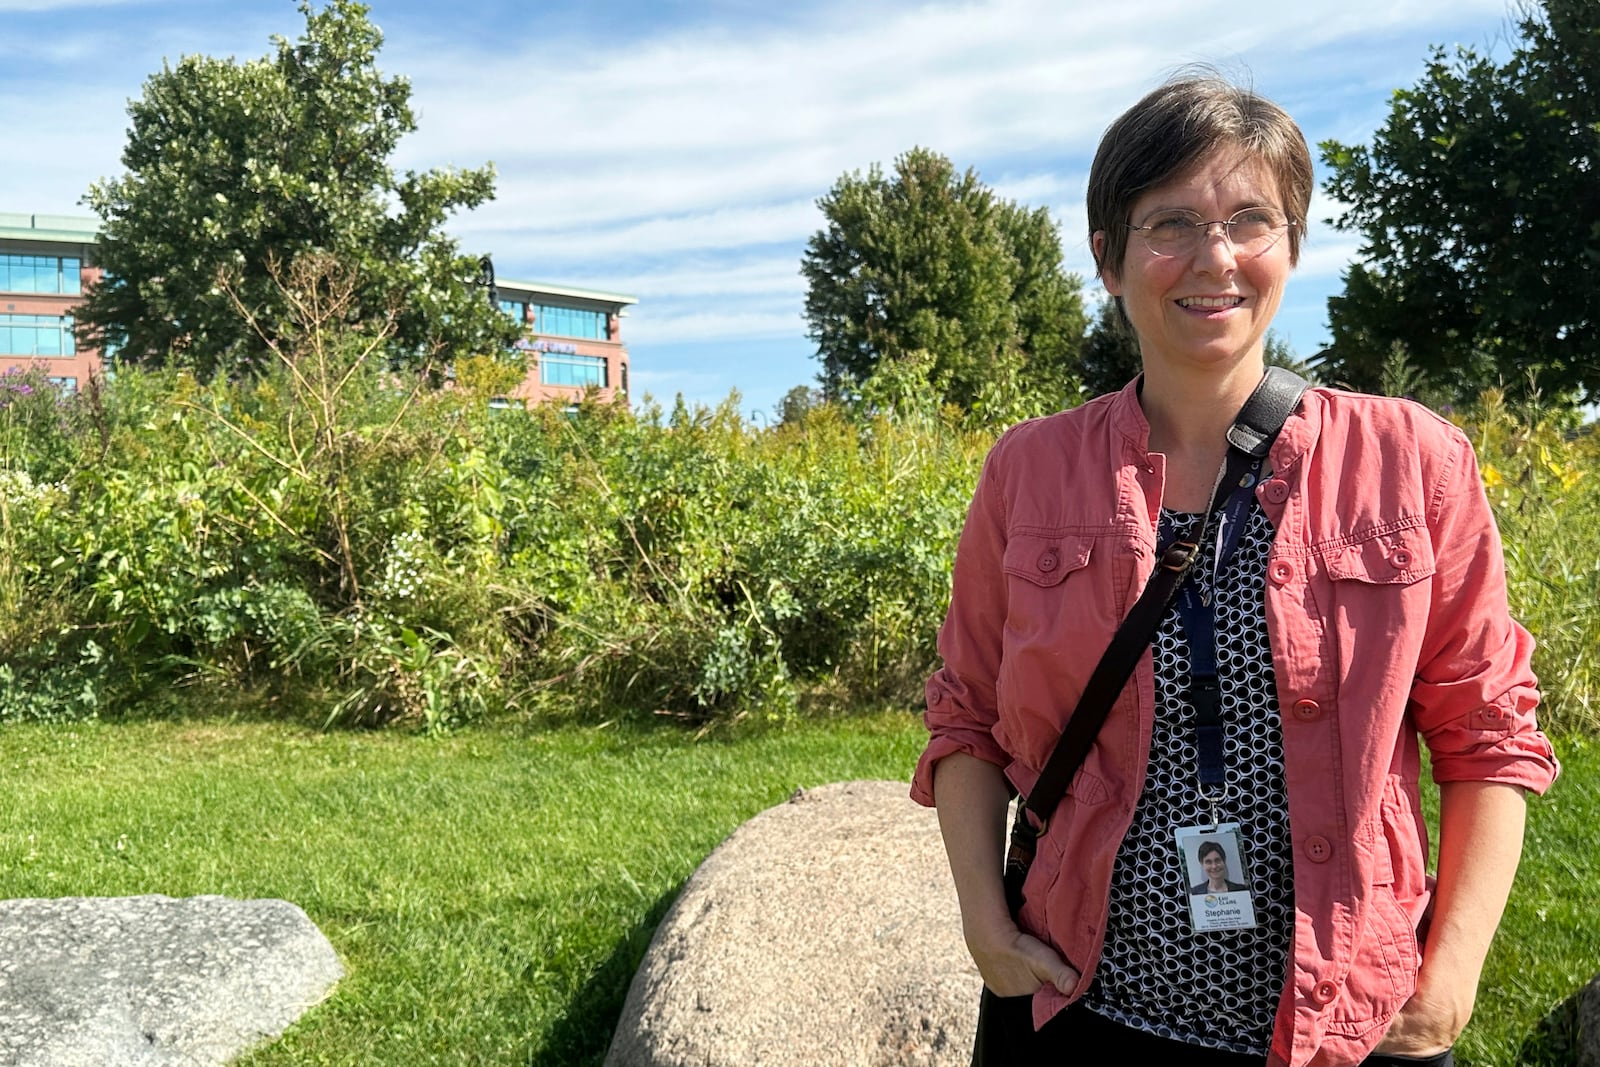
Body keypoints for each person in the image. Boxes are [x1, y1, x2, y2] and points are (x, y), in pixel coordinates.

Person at [910, 72, 1559, 1067]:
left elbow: (1488, 730)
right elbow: (966, 715)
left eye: (1250, 220)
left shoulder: (1413, 461)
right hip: (1078, 1001)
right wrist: (985, 926)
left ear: (1291, 247)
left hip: (1343, 1022)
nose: (1214, 258)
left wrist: (1451, 978)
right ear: (1108, 260)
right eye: (1169, 223)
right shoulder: (1029, 470)